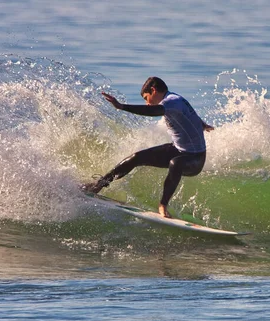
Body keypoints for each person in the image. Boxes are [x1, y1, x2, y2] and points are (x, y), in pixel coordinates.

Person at [82, 77, 214, 218]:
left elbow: (154, 111)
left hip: (195, 159)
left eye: (146, 98)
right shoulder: (175, 99)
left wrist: (122, 107)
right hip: (178, 149)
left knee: (175, 163)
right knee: (136, 158)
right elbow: (189, 113)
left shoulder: (171, 101)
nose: (147, 103)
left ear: (153, 90)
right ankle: (100, 184)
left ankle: (163, 205)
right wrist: (202, 124)